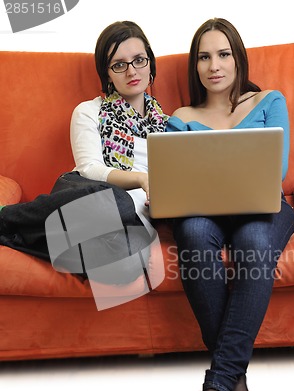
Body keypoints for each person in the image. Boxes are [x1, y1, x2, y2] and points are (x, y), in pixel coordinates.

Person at [167, 18, 294, 391]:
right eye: (204, 57)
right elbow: (178, 180)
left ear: (238, 58)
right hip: (204, 210)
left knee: (255, 240)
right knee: (190, 232)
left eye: (223, 54)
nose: (214, 65)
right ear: (195, 66)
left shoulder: (269, 101)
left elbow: (274, 171)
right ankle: (233, 377)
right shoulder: (182, 117)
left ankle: (219, 383)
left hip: (263, 208)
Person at [0, 21, 168, 276]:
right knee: (119, 202)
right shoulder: (89, 111)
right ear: (107, 73)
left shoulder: (167, 125)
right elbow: (90, 168)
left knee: (133, 260)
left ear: (150, 63)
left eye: (139, 60)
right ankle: (8, 217)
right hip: (84, 195)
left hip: (130, 221)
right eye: (119, 64)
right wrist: (141, 179)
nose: (132, 71)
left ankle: (13, 237)